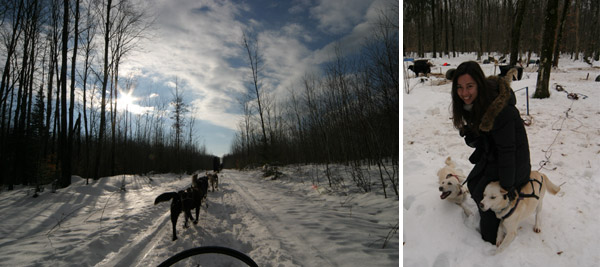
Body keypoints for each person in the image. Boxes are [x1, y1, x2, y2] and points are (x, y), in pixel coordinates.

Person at [450, 61, 531, 244]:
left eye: (469, 86)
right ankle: (489, 215)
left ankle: (494, 229)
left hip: (514, 164)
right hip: (496, 156)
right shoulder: (474, 105)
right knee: (473, 182)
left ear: (479, 83)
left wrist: (507, 186)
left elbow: (508, 151)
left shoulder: (501, 111)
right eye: (460, 87)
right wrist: (471, 135)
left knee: (481, 192)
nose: (464, 93)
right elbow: (487, 139)